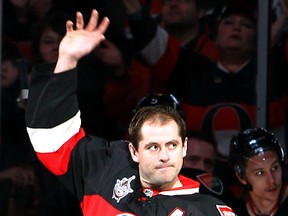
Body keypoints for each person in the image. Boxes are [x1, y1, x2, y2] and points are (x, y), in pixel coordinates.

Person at [25, 9, 235, 215]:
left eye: (172, 145)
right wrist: (67, 60)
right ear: (134, 151)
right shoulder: (105, 171)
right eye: (153, 147)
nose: (164, 156)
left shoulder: (208, 210)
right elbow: (52, 140)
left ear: (184, 147)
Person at [121, 0, 288, 156]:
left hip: (263, 181)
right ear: (214, 37)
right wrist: (134, 11)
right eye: (228, 22)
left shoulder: (276, 72)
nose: (236, 28)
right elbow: (151, 39)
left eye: (246, 25)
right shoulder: (193, 70)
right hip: (201, 177)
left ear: (258, 39)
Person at [229, 128, 288, 215]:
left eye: (274, 168)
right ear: (241, 177)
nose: (271, 180)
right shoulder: (232, 210)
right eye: (260, 173)